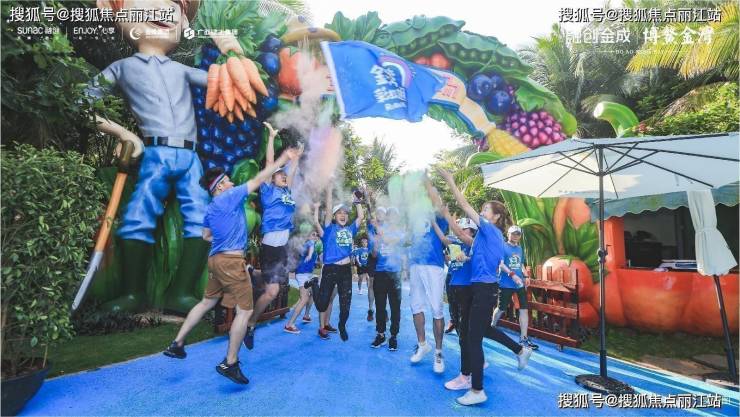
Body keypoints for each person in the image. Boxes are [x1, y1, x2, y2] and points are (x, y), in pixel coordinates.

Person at [83, 0, 245, 313]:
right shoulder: (122, 68)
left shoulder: (182, 71)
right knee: (138, 216)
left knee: (202, 218)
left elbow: (230, 82)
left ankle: (180, 294)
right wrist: (123, 133)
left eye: (173, 5)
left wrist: (232, 52)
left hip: (190, 158)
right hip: (155, 154)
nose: (161, 9)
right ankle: (133, 294)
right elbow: (81, 103)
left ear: (184, 23)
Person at [163, 148, 299, 384]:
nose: (232, 183)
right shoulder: (231, 196)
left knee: (206, 302)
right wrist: (284, 158)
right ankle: (230, 362)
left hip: (215, 260)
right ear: (219, 187)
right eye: (227, 181)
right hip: (231, 262)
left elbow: (206, 235)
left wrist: (225, 236)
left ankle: (177, 343)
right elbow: (260, 178)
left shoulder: (211, 208)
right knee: (244, 312)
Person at [436, 168, 532, 406]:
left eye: (486, 209)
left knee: (472, 339)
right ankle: (520, 350)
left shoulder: (490, 229)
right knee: (482, 331)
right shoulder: (487, 236)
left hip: (484, 290)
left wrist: (450, 181)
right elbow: (464, 238)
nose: (481, 211)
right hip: (483, 289)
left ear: (496, 216)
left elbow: (464, 204)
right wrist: (448, 218)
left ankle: (477, 389)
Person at [244, 123, 301, 350]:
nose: (284, 176)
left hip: (283, 247)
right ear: (273, 178)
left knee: (273, 289)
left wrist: (298, 155)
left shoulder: (287, 190)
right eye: (280, 175)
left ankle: (253, 273)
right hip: (271, 245)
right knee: (271, 292)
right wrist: (271, 137)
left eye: (284, 175)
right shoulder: (268, 191)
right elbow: (269, 163)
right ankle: (250, 323)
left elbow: (292, 169)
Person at [307, 189, 364, 341]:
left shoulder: (351, 229)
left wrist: (357, 201)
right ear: (334, 216)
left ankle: (342, 325)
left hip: (345, 270)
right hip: (330, 269)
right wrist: (330, 187)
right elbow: (328, 207)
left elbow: (360, 216)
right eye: (339, 213)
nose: (343, 215)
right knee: (321, 305)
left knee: (346, 304)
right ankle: (314, 283)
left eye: (345, 213)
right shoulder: (329, 229)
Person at [408, 192, 449, 374]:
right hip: (415, 264)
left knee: (437, 309)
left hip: (433, 265)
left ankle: (438, 353)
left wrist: (429, 187)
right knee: (416, 306)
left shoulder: (438, 215)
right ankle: (422, 344)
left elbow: (438, 204)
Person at [493, 225, 539, 350]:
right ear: (508, 234)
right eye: (513, 233)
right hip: (506, 283)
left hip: (519, 284)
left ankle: (523, 338)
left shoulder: (519, 248)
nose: (515, 236)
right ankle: (492, 326)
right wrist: (512, 275)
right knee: (501, 308)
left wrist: (526, 275)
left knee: (524, 309)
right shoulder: (502, 246)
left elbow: (521, 264)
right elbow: (501, 264)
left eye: (518, 234)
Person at [369, 207, 404, 351]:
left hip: (395, 274)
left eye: (394, 215)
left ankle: (393, 336)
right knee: (380, 306)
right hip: (380, 273)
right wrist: (377, 241)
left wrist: (381, 234)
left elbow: (394, 241)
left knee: (395, 307)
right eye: (389, 215)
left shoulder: (400, 232)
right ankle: (381, 334)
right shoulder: (378, 232)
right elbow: (374, 254)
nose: (391, 218)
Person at [283, 230, 319, 334]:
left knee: (313, 293)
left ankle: (306, 315)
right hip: (302, 274)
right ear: (308, 236)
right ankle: (289, 325)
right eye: (313, 234)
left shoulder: (312, 246)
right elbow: (311, 246)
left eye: (316, 235)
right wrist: (310, 254)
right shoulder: (308, 244)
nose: (315, 236)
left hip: (307, 274)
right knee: (304, 298)